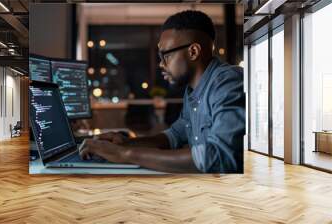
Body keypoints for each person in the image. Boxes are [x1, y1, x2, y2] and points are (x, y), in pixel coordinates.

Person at [80, 10, 245, 173]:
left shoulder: (228, 82)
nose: (160, 64)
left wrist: (125, 154)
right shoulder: (193, 90)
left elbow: (220, 156)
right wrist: (125, 143)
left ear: (193, 51)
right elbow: (174, 135)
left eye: (165, 55)